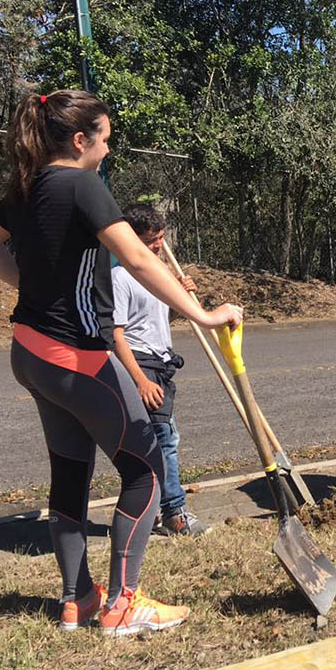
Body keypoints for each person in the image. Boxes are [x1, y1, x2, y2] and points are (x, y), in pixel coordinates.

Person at [0, 89, 243, 635]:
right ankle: (122, 605)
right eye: (106, 138)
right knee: (146, 470)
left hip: (30, 352)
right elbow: (138, 257)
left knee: (70, 471)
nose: (108, 149)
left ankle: (77, 600)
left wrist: (32, 285)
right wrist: (205, 314)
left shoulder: (28, 187)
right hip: (75, 358)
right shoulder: (80, 183)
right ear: (79, 139)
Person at [111, 203, 208, 537]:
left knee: (156, 440)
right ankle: (174, 512)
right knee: (165, 440)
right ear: (133, 240)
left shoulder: (160, 273)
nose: (159, 246)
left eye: (162, 238)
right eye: (152, 240)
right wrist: (138, 380)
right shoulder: (121, 278)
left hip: (163, 362)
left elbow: (160, 321)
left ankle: (148, 512)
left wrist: (183, 298)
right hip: (142, 365)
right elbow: (116, 335)